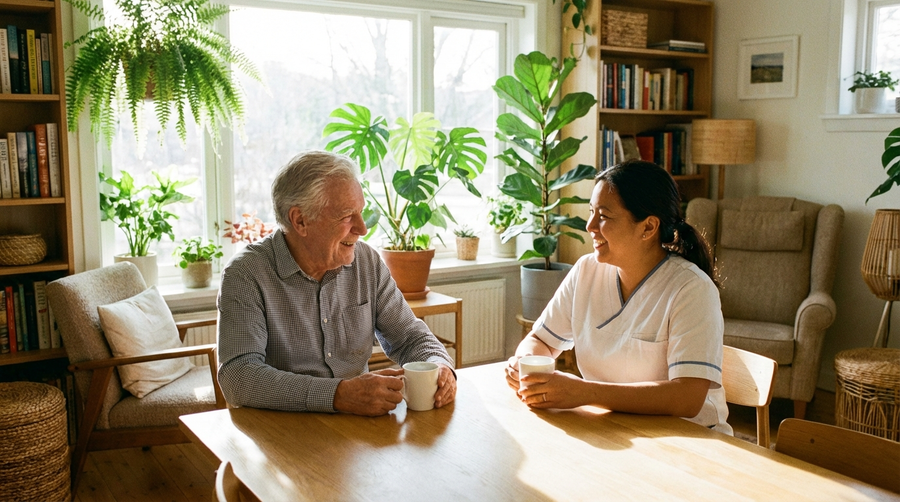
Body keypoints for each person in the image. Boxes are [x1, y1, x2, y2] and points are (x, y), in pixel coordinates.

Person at [217, 150, 457, 417]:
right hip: (281, 428)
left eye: (361, 212)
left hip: (358, 427)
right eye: (346, 216)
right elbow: (239, 376)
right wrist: (337, 395)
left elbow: (410, 337)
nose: (362, 228)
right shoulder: (246, 274)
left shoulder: (367, 262)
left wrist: (440, 366)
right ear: (300, 220)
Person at [505, 160, 732, 434]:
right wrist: (526, 364)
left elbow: (687, 397)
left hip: (690, 438)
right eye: (591, 212)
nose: (590, 226)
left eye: (604, 216)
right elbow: (541, 340)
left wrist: (583, 392)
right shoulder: (586, 271)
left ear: (648, 227)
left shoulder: (692, 289)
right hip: (614, 428)